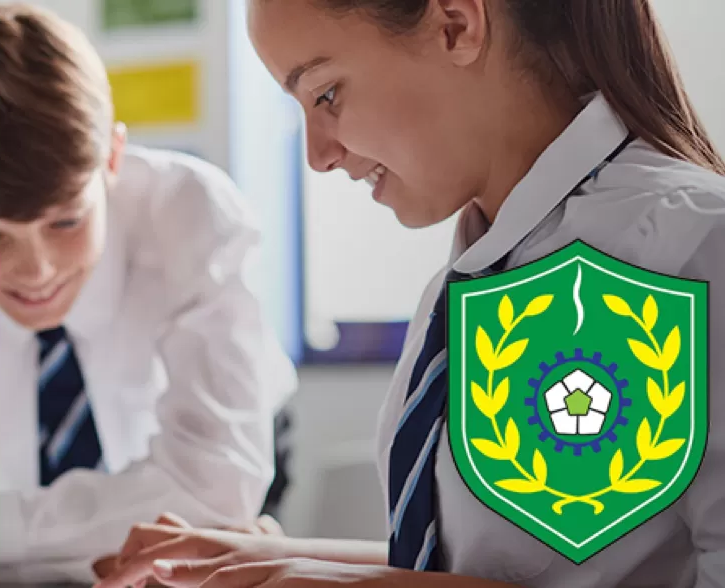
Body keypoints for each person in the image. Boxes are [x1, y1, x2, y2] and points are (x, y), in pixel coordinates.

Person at [96, 0, 725, 586]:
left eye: (327, 93)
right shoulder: (474, 277)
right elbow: (503, 564)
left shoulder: (691, 247)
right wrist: (270, 559)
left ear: (456, 24)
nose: (318, 154)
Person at [0, 3, 299, 584]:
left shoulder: (192, 213)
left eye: (65, 223)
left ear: (112, 157)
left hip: (239, 437)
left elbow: (212, 493)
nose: (36, 271)